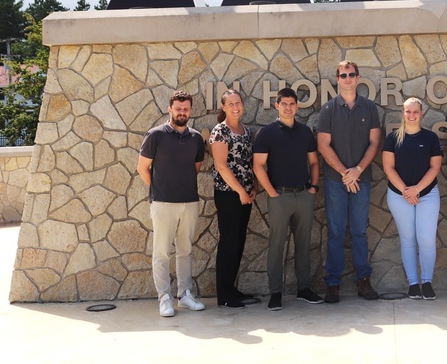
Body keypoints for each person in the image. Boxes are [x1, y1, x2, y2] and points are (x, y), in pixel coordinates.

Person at [316, 60, 382, 303]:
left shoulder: (369, 108)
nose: (347, 78)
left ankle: (363, 280)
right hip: (336, 180)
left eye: (351, 74)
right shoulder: (328, 110)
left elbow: (375, 143)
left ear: (358, 77)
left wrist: (358, 170)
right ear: (337, 78)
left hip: (361, 180)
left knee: (359, 231)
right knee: (334, 231)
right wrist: (346, 172)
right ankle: (332, 283)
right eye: (343, 75)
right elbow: (323, 145)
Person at [252, 87, 324, 311]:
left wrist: (313, 188)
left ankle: (304, 289)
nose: (289, 107)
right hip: (279, 196)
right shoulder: (267, 133)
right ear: (277, 105)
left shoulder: (304, 133)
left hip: (304, 195)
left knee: (303, 244)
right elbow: (258, 166)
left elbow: (313, 162)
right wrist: (272, 192)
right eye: (284, 103)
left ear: (297, 106)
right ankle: (276, 292)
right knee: (276, 244)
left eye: (292, 103)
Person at [136, 90, 206, 317]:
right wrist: (158, 190)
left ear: (191, 110)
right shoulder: (155, 135)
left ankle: (185, 295)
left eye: (186, 109)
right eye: (178, 109)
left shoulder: (195, 138)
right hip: (163, 203)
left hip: (189, 202)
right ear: (170, 109)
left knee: (185, 250)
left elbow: (195, 169)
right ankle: (164, 297)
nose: (182, 112)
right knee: (162, 253)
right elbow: (142, 168)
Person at [382, 97, 443, 300]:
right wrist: (406, 191)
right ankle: (413, 284)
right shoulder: (393, 138)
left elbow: (435, 167)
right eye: (408, 112)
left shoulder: (431, 138)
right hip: (399, 196)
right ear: (403, 113)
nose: (411, 115)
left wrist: (416, 189)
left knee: (426, 239)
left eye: (415, 112)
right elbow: (388, 167)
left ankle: (427, 281)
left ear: (421, 113)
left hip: (427, 195)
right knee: (407, 240)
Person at [209, 89, 259, 309]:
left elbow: (249, 163)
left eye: (238, 102)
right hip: (229, 194)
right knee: (229, 241)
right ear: (223, 107)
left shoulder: (246, 131)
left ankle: (231, 288)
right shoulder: (220, 131)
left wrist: (253, 187)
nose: (236, 107)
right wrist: (240, 190)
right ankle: (224, 295)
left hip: (245, 194)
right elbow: (221, 165)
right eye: (231, 104)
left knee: (238, 241)